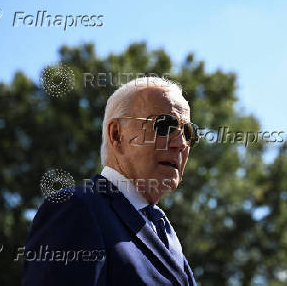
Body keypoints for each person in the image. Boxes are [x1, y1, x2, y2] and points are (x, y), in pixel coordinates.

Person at [22, 77, 198, 285]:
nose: (180, 143)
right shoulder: (76, 209)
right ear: (117, 135)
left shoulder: (165, 229)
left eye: (188, 132)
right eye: (164, 125)